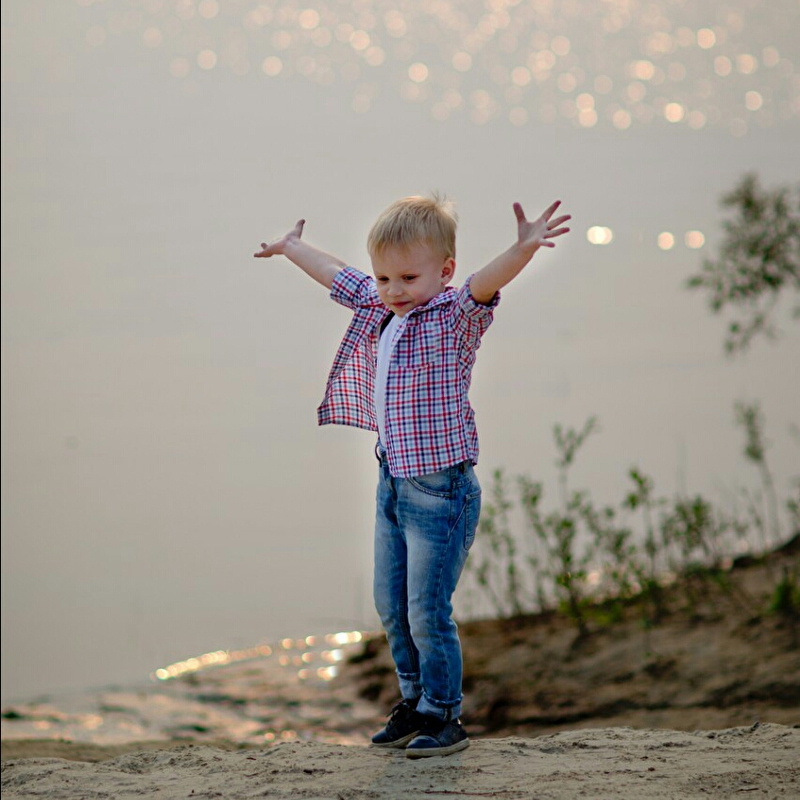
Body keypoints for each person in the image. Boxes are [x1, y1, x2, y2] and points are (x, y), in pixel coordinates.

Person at [254, 195, 570, 757]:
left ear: (444, 270)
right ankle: (414, 702)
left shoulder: (453, 316)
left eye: (407, 277)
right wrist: (293, 248)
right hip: (393, 484)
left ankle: (445, 715)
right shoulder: (381, 306)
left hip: (441, 492)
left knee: (428, 610)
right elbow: (338, 275)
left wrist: (522, 249)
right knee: (391, 605)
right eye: (384, 277)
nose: (393, 289)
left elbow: (485, 283)